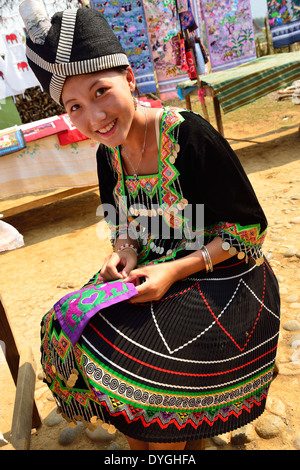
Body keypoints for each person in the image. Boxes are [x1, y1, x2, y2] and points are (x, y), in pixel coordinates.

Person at [20, 3, 280, 451]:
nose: (94, 117)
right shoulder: (107, 154)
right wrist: (125, 251)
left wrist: (175, 270)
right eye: (75, 107)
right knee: (63, 324)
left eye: (101, 91)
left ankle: (171, 433)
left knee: (146, 366)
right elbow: (119, 222)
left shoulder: (190, 136)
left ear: (129, 79)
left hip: (225, 274)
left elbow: (250, 231)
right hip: (157, 267)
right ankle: (161, 434)